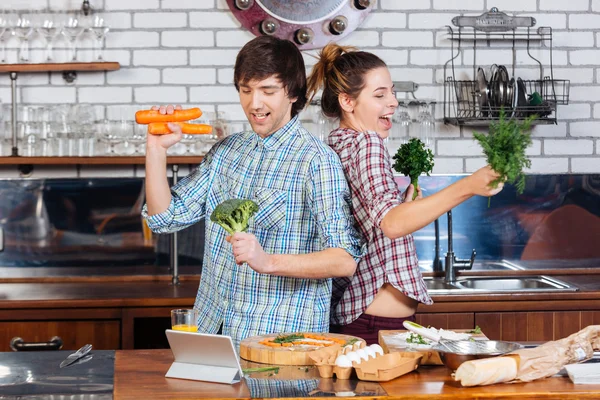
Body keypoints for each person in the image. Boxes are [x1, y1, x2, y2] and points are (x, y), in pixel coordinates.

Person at [142, 36, 363, 347]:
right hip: (211, 331)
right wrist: (156, 149)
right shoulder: (227, 152)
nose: (254, 104)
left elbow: (344, 259)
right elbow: (165, 218)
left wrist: (267, 261)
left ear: (293, 93)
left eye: (267, 91)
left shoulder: (316, 161)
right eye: (246, 91)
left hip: (277, 343)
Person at [306, 43, 504, 344]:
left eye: (393, 92)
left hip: (359, 319)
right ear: (347, 101)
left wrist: (404, 205)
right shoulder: (368, 143)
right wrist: (469, 186)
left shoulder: (337, 144)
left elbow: (372, 223)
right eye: (380, 94)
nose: (394, 102)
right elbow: (392, 224)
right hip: (376, 325)